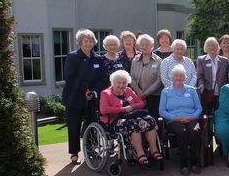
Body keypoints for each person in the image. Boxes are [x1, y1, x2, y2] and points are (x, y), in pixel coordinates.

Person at [62, 29, 105, 164]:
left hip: (92, 98)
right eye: (86, 41)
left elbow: (102, 79)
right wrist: (85, 90)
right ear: (80, 42)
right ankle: (74, 154)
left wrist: (94, 92)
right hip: (74, 98)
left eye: (91, 41)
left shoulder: (98, 58)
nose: (88, 43)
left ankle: (91, 150)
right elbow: (70, 77)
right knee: (74, 126)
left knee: (92, 123)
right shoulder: (72, 57)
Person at [100, 70, 161, 165]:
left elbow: (141, 103)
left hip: (133, 117)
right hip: (116, 120)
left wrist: (132, 107)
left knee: (149, 120)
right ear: (113, 82)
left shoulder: (128, 91)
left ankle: (154, 150)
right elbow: (103, 110)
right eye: (118, 82)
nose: (121, 85)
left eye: (124, 83)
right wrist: (123, 109)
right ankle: (141, 154)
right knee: (133, 124)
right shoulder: (106, 93)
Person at [159, 65, 203, 175]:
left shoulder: (192, 90)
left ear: (185, 77)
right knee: (182, 132)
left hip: (191, 117)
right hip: (174, 120)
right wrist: (175, 118)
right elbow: (162, 111)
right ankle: (184, 163)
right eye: (176, 76)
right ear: (172, 77)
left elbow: (199, 108)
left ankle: (194, 162)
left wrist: (193, 116)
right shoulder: (166, 91)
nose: (179, 78)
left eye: (181, 76)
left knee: (194, 131)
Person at [130, 34, 163, 119]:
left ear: (152, 46)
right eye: (142, 44)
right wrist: (139, 93)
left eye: (147, 44)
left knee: (154, 119)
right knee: (139, 119)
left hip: (154, 96)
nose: (144, 46)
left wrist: (145, 94)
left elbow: (159, 80)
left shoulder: (158, 60)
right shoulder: (135, 60)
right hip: (137, 95)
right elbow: (131, 78)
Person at [197, 37, 229, 114]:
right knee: (206, 114)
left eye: (213, 45)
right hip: (207, 92)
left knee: (220, 114)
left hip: (221, 93)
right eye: (209, 45)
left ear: (217, 46)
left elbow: (227, 76)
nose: (211, 47)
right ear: (206, 48)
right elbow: (200, 76)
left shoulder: (224, 60)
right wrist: (201, 85)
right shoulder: (201, 60)